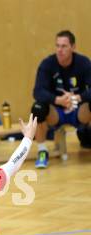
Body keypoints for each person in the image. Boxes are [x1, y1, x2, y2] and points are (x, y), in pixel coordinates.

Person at [32, 30, 91, 169]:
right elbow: (37, 91)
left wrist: (78, 97)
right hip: (57, 112)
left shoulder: (83, 63)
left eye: (64, 46)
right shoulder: (47, 64)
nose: (60, 50)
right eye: (57, 46)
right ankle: (42, 151)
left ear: (73, 47)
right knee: (38, 108)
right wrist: (57, 99)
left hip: (79, 110)